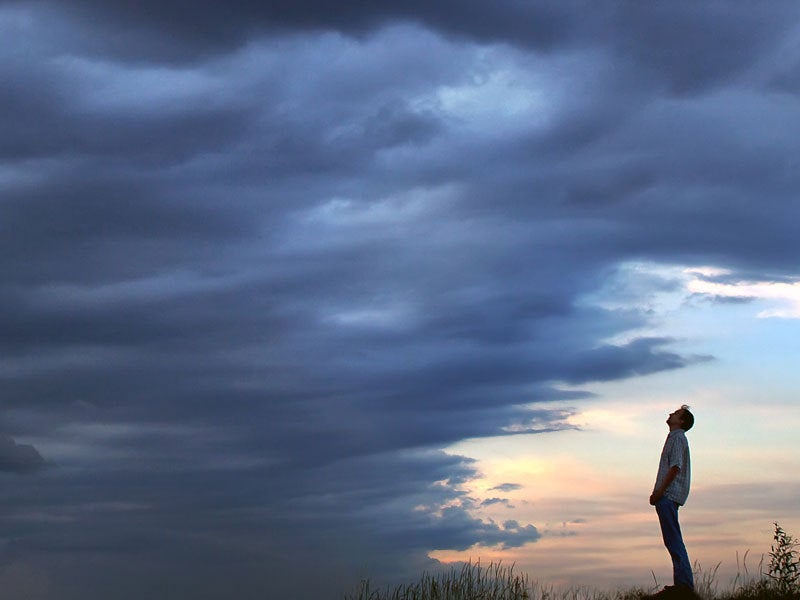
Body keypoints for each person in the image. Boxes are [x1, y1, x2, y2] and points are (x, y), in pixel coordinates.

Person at [649, 405, 695, 598]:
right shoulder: (674, 438)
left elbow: (675, 467)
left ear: (681, 421)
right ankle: (682, 584)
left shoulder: (678, 438)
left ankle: (684, 585)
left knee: (673, 540)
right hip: (668, 496)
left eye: (676, 414)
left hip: (668, 496)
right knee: (672, 540)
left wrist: (660, 492)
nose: (671, 414)